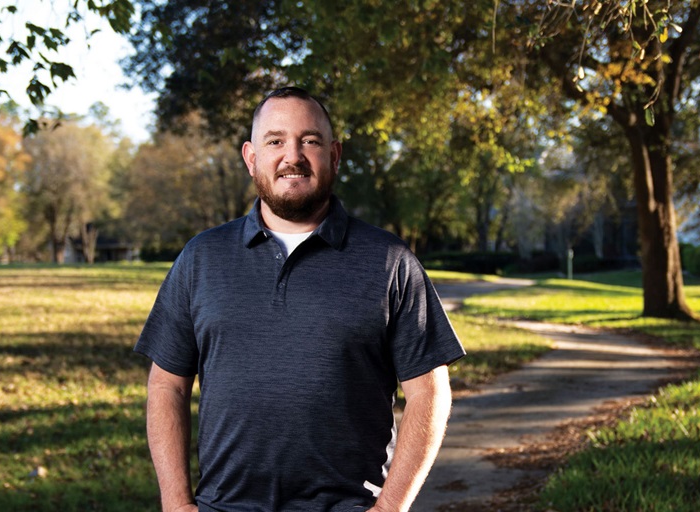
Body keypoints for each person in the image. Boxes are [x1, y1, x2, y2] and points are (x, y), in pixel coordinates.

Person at [134, 86, 465, 512]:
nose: (293, 155)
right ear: (251, 157)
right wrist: (176, 505)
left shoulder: (389, 261)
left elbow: (430, 393)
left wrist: (390, 508)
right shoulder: (202, 257)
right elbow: (166, 386)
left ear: (335, 154)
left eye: (309, 140)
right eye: (276, 141)